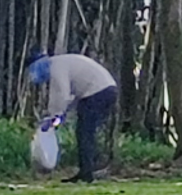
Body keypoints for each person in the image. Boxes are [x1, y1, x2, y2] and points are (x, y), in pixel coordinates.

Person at [28, 53, 118, 183]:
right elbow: (71, 96)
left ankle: (87, 173)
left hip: (98, 92)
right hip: (105, 90)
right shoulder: (60, 63)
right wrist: (60, 115)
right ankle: (88, 169)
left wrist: (55, 116)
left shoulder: (56, 68)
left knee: (85, 133)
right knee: (87, 133)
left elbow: (61, 94)